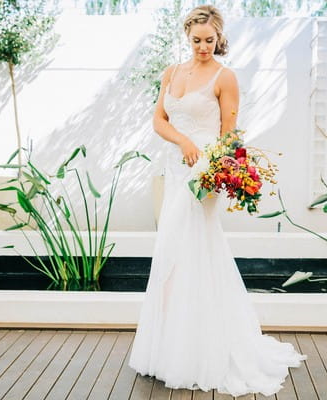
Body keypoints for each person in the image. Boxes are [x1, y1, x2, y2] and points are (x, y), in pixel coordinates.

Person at [128, 5, 307, 397]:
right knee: (174, 254)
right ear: (187, 36)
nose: (203, 47)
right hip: (176, 171)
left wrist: (212, 167)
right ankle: (173, 346)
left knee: (186, 250)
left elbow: (230, 134)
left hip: (202, 177)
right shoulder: (172, 73)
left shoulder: (226, 78)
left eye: (210, 40)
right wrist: (184, 141)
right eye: (196, 40)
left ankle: (201, 350)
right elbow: (160, 120)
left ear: (218, 37)